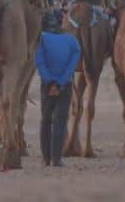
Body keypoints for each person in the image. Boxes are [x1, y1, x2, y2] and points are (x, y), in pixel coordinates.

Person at [36, 15, 82, 167]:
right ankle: (57, 159)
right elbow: (72, 65)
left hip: (47, 85)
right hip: (65, 85)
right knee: (60, 121)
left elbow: (40, 61)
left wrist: (50, 82)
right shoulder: (72, 41)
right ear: (61, 21)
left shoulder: (40, 39)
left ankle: (45, 158)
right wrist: (61, 82)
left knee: (46, 119)